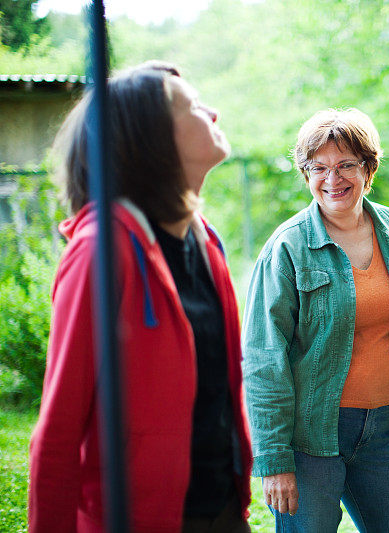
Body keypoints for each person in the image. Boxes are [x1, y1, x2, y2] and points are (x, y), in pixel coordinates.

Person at [28, 61, 253, 533]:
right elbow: (57, 433)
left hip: (223, 510)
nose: (212, 113)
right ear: (153, 139)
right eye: (192, 105)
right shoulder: (100, 251)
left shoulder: (205, 242)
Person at [241, 108, 389, 532]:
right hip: (310, 437)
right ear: (305, 174)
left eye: (346, 164)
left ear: (369, 167)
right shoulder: (286, 248)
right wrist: (274, 460)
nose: (333, 179)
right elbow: (262, 359)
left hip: (380, 429)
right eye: (319, 168)